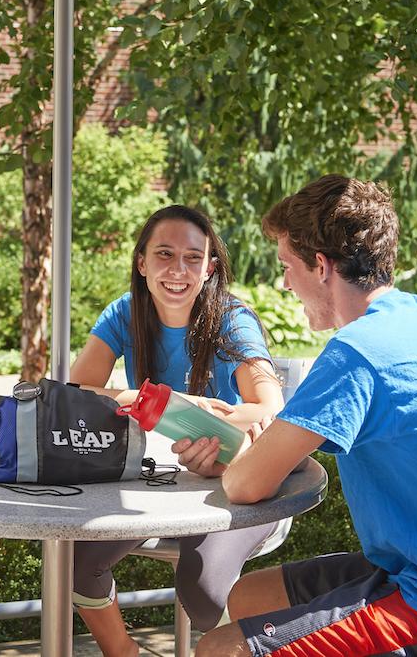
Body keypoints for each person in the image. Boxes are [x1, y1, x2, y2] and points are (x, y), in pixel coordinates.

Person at [196, 175, 417, 656]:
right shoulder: (414, 314)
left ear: (321, 266)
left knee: (222, 649)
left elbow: (244, 486)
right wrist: (249, 458)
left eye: (286, 266)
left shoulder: (356, 353)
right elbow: (285, 454)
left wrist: (238, 461)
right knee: (250, 597)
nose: (284, 282)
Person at [69, 205, 285, 657]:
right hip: (158, 480)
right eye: (164, 254)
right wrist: (156, 400)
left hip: (237, 481)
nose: (177, 269)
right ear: (142, 263)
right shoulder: (123, 314)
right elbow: (76, 393)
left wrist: (214, 426)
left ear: (210, 268)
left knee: (204, 590)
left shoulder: (233, 318)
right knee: (79, 562)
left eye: (192, 257)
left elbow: (269, 408)